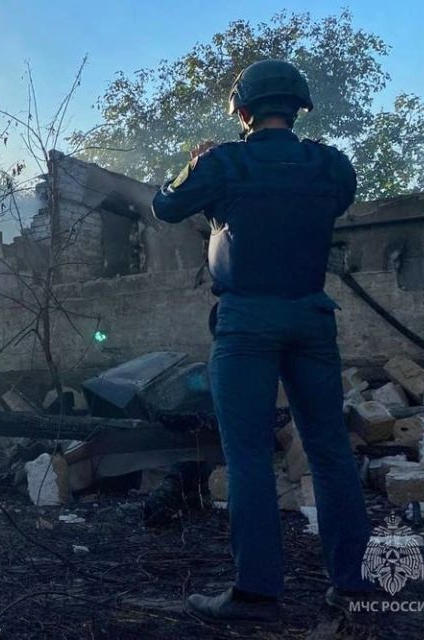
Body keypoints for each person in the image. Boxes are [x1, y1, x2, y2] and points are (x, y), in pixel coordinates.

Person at [139, 59, 374, 622]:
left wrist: (194, 166)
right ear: (298, 108)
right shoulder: (331, 164)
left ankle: (257, 594)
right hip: (312, 315)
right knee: (331, 452)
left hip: (246, 321)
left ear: (242, 112)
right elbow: (330, 205)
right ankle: (354, 584)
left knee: (248, 456)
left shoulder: (223, 162)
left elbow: (165, 206)